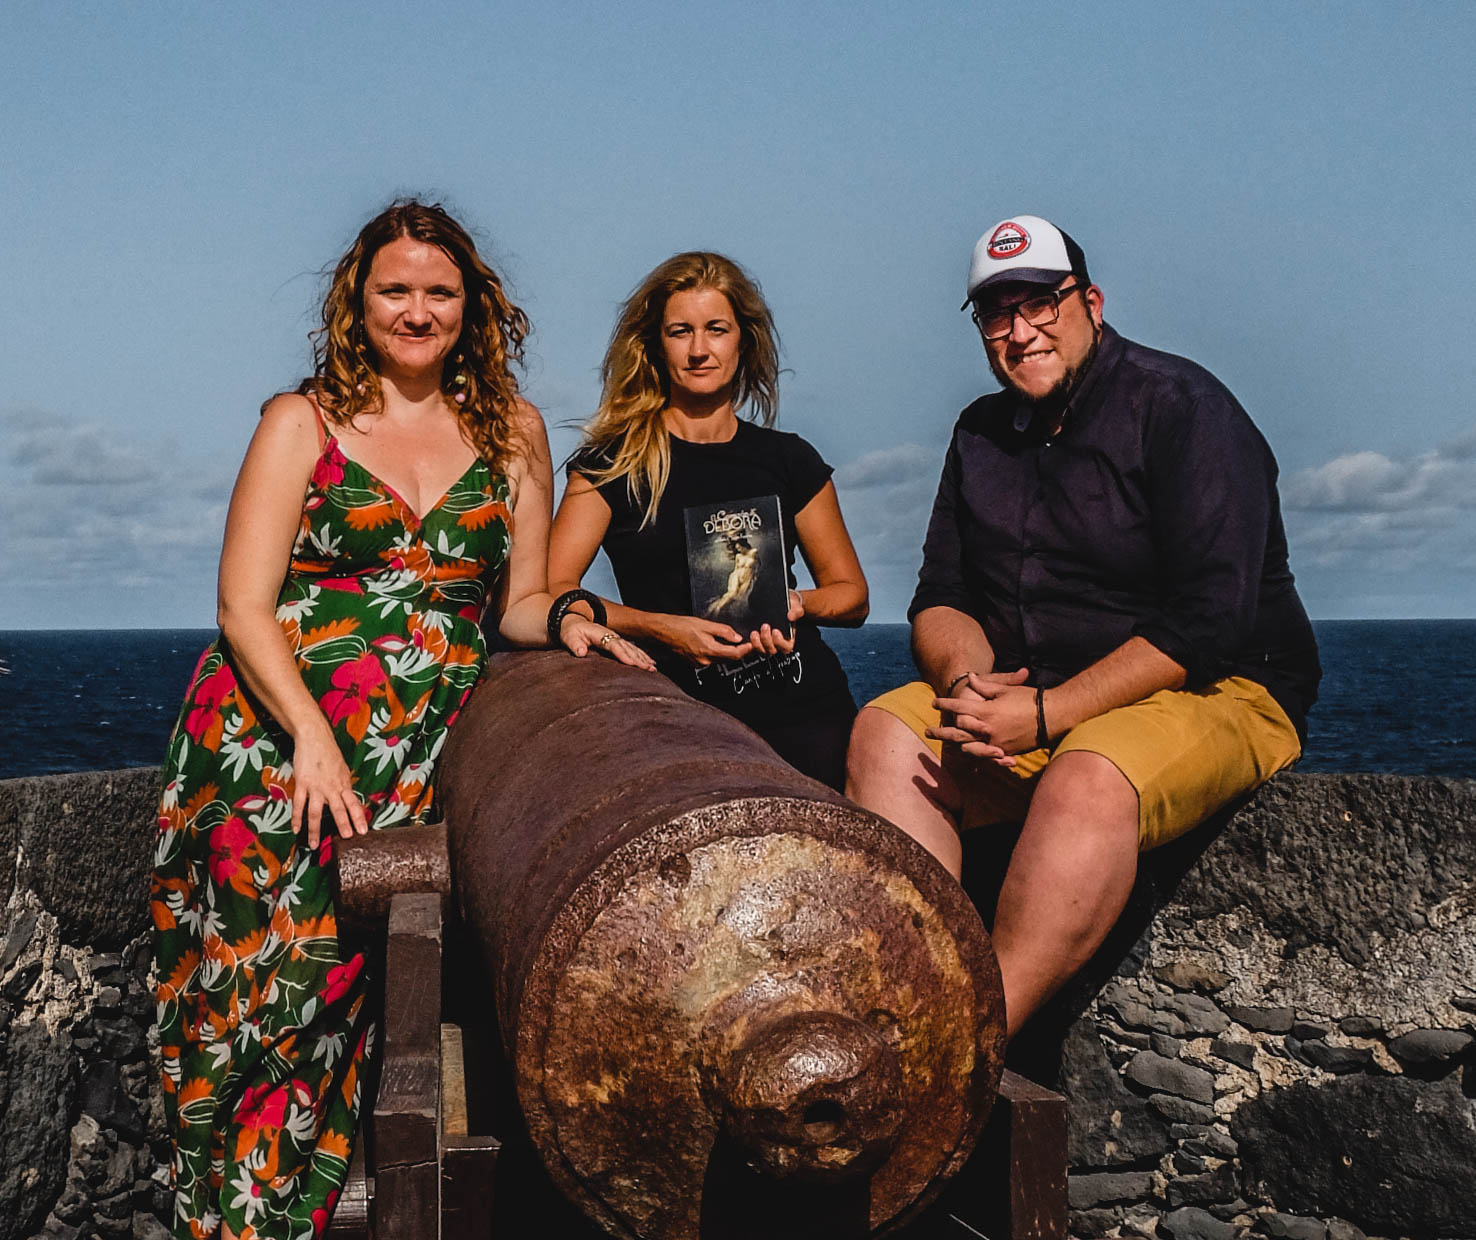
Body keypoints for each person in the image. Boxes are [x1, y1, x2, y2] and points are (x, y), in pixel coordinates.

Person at [150, 200, 649, 1240]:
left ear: (472, 306)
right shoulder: (302, 420)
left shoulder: (509, 428)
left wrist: (573, 618)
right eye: (395, 290)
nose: (416, 310)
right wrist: (314, 737)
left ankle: (289, 1208)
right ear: (357, 301)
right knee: (255, 992)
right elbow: (243, 603)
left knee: (341, 988)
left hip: (415, 744)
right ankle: (232, 1222)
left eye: (438, 291)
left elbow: (512, 601)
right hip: (272, 742)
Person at [846, 215, 1320, 1039]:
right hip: (1042, 692)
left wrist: (1048, 716)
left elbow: (1209, 622)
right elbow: (942, 595)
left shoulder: (1184, 409)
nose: (1020, 331)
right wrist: (964, 685)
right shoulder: (980, 433)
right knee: (887, 731)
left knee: (1088, 775)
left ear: (1091, 302)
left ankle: (968, 1043)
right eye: (997, 314)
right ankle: (908, 1006)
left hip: (1222, 688)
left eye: (1041, 304)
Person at [549, 251, 868, 790]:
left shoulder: (789, 460)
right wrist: (659, 628)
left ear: (743, 341)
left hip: (809, 712)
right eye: (681, 332)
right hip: (683, 722)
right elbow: (553, 590)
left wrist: (796, 603)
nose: (699, 350)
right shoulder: (611, 466)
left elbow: (852, 596)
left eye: (716, 329)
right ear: (655, 345)